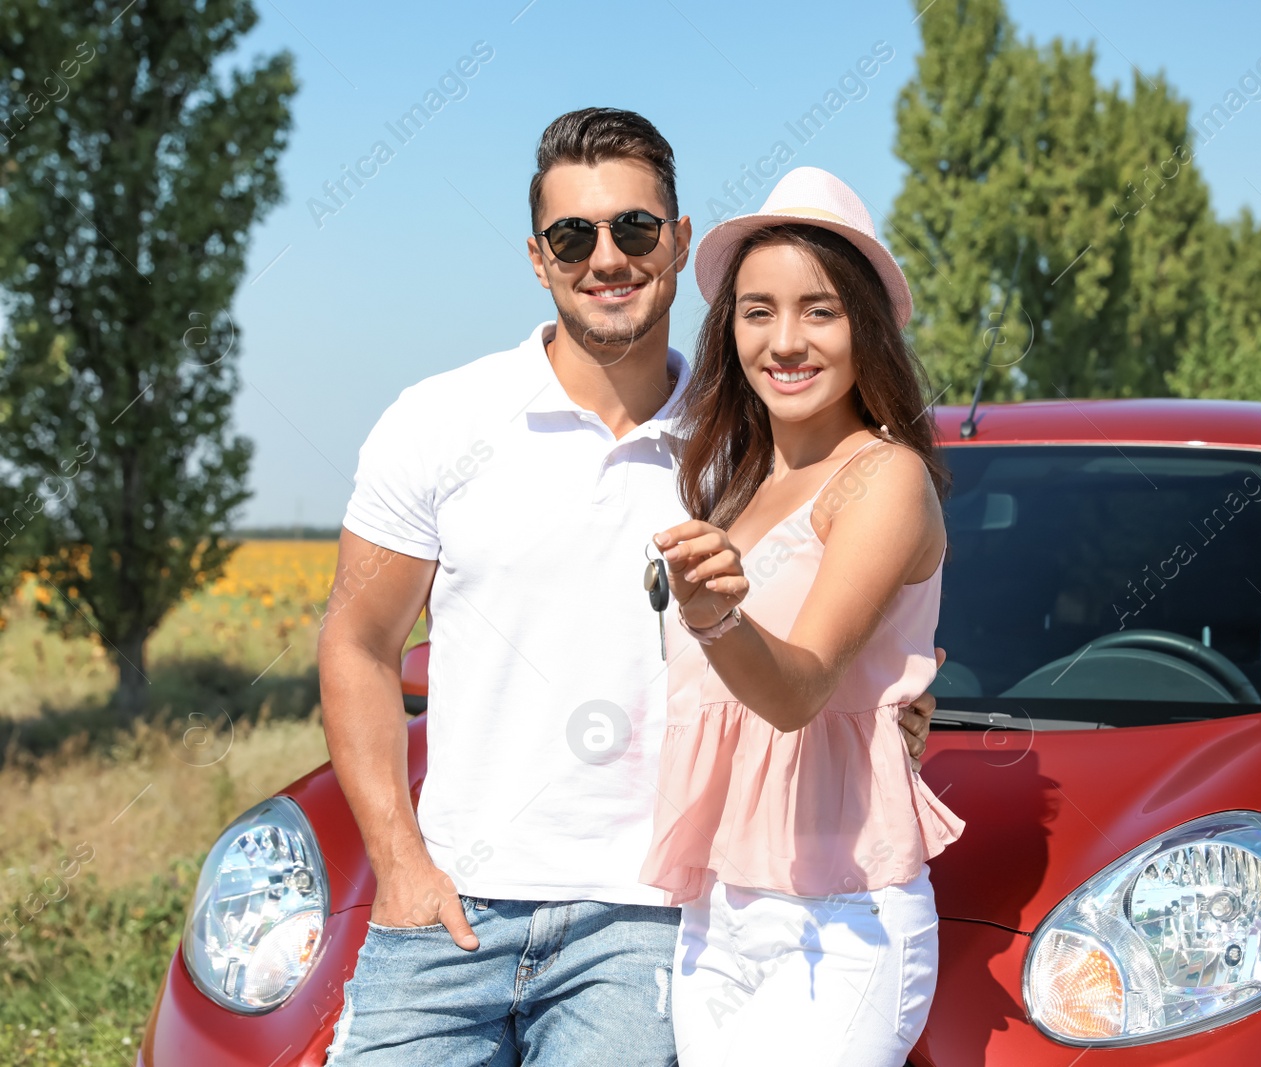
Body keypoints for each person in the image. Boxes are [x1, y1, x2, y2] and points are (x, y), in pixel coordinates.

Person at [317, 112, 936, 1065]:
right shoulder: (438, 420)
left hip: (652, 922)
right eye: (574, 235)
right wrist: (399, 864)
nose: (607, 256)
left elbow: (855, 591)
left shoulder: (745, 443)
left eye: (636, 229)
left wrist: (899, 703)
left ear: (680, 244)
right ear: (538, 257)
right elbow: (358, 645)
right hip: (448, 911)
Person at [640, 167, 964, 1067]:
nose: (785, 340)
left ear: (866, 326)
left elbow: (803, 686)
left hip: (842, 919)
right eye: (757, 311)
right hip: (719, 910)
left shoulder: (884, 477)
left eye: (818, 310)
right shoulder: (735, 489)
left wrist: (716, 621)